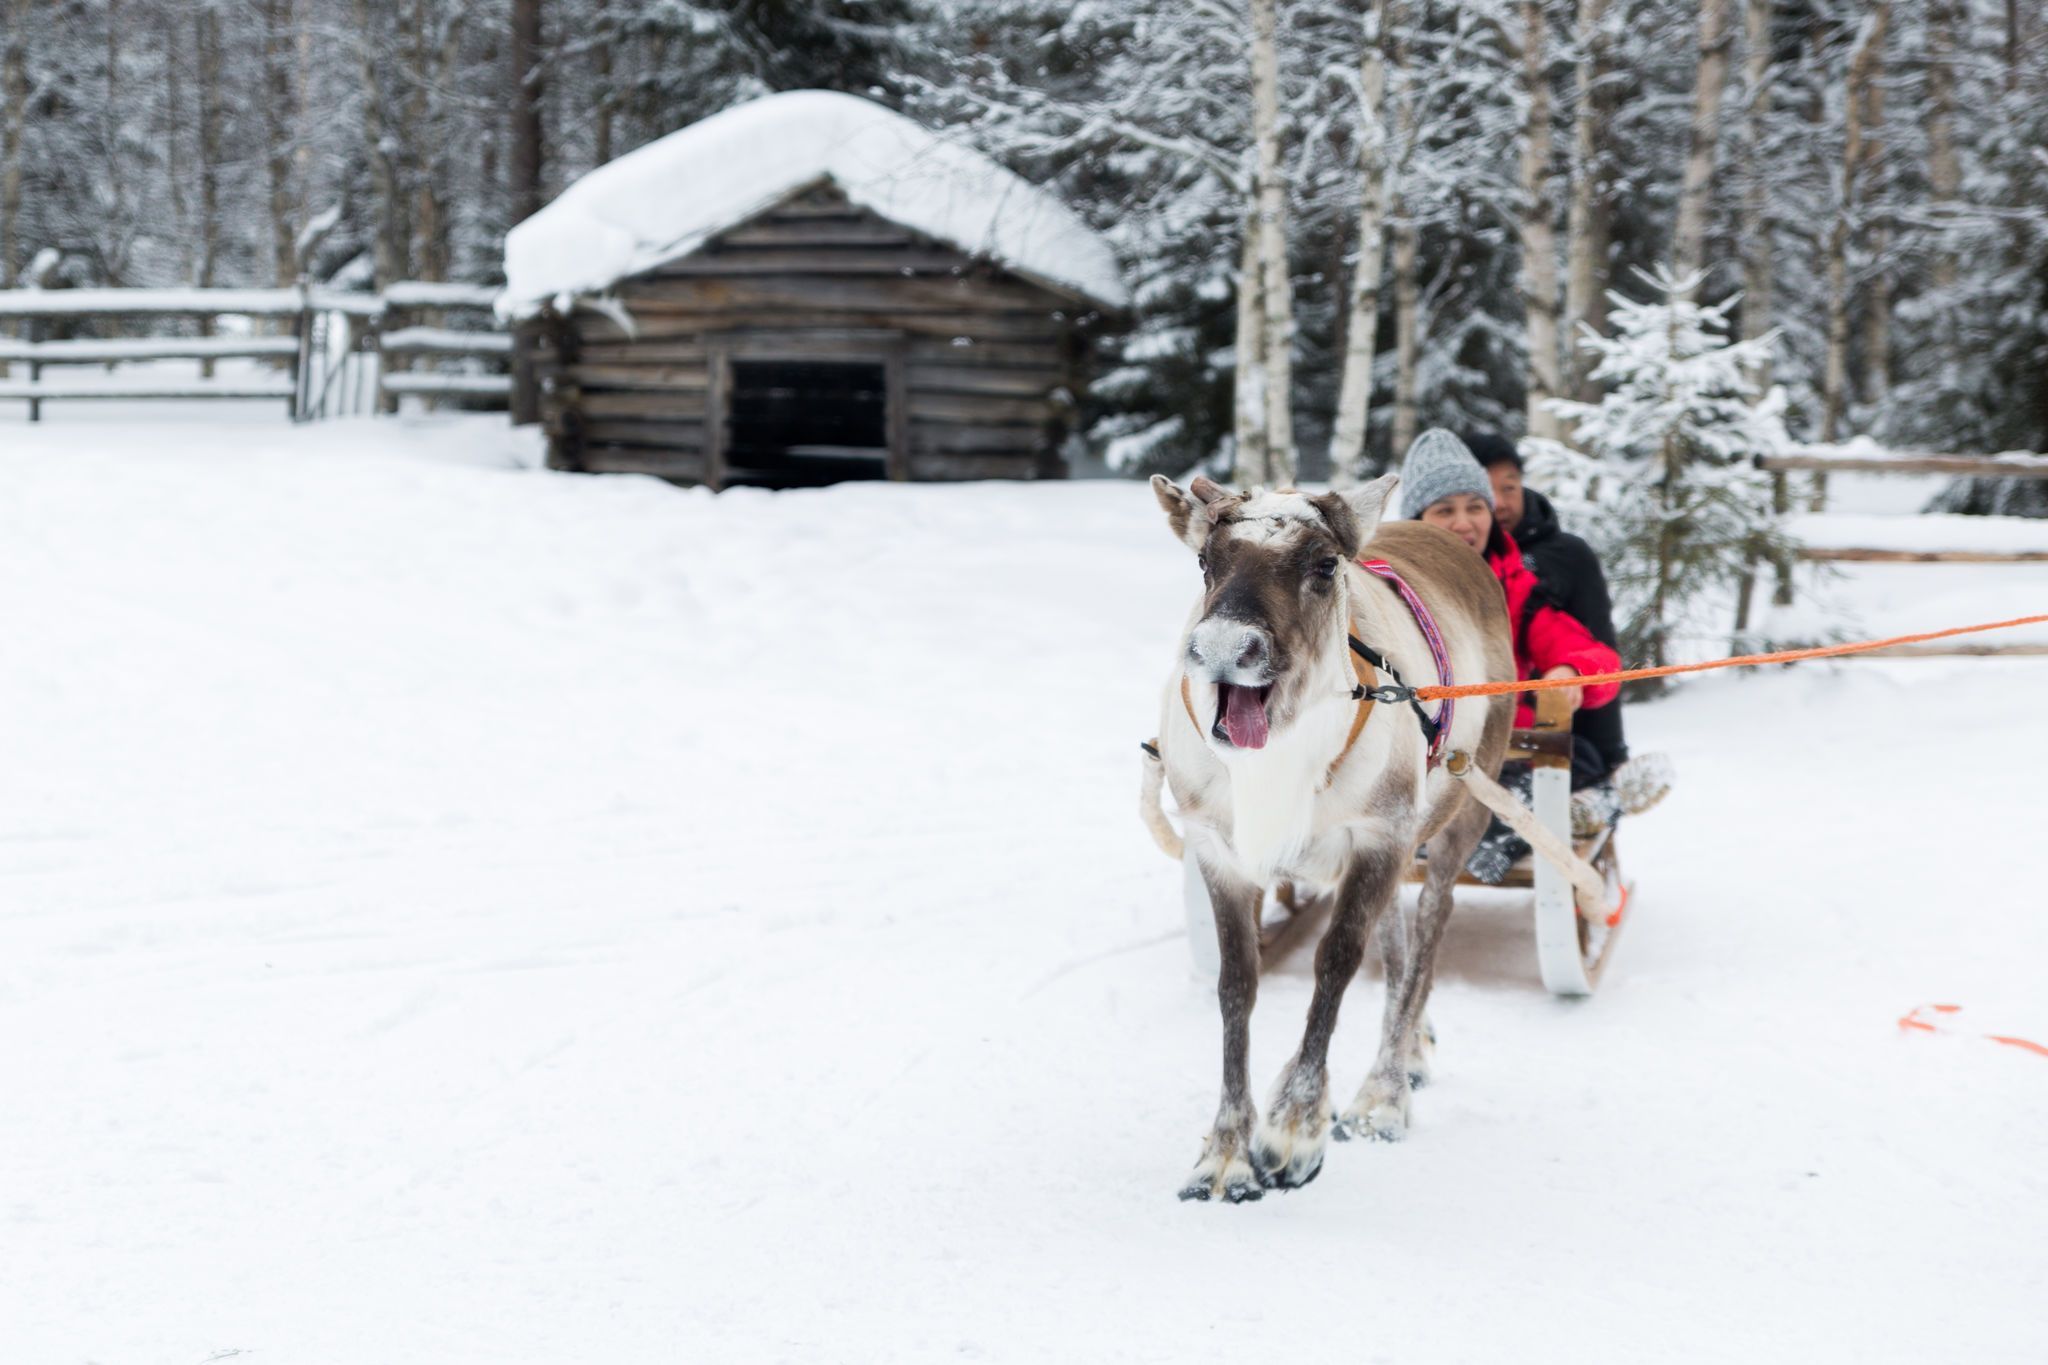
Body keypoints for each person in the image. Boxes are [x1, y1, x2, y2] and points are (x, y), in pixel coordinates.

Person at [1397, 429, 1624, 880]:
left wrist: (1570, 671)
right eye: (1445, 510)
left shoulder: (1516, 587)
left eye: (1475, 507)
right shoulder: (1392, 591)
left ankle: (1508, 831)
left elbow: (1593, 656)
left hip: (1507, 750)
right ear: (1419, 521)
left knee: (1568, 761)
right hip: (1421, 755)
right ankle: (1498, 826)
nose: (1464, 522)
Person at [1465, 431, 1671, 825]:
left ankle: (1597, 795)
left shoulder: (1563, 557)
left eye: (1510, 487)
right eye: (1487, 491)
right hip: (1465, 731)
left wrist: (1611, 753)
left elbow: (1594, 645)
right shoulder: (1444, 563)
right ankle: (1575, 804)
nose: (1502, 502)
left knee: (1572, 758)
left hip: (1549, 722)